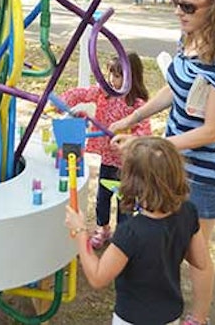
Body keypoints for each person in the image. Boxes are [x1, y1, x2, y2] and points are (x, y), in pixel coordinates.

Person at [110, 0, 215, 325]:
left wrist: (153, 148)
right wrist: (133, 117)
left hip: (201, 173)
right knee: (163, 244)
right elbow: (174, 87)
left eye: (188, 7)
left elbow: (211, 131)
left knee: (195, 254)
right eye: (176, 2)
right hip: (174, 162)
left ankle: (198, 318)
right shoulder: (188, 39)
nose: (178, 12)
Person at [65, 136, 207, 325]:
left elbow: (98, 278)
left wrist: (81, 231)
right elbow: (200, 261)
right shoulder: (188, 211)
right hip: (170, 316)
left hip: (132, 319)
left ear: (131, 181)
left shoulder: (130, 232)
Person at [60, 52, 151, 249]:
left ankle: (123, 236)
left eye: (117, 76)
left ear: (131, 77)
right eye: (110, 74)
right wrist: (64, 101)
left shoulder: (137, 105)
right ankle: (103, 229)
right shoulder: (104, 93)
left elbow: (144, 133)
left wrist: (129, 140)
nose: (111, 80)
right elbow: (81, 93)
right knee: (102, 199)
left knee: (125, 203)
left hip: (128, 165)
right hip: (108, 161)